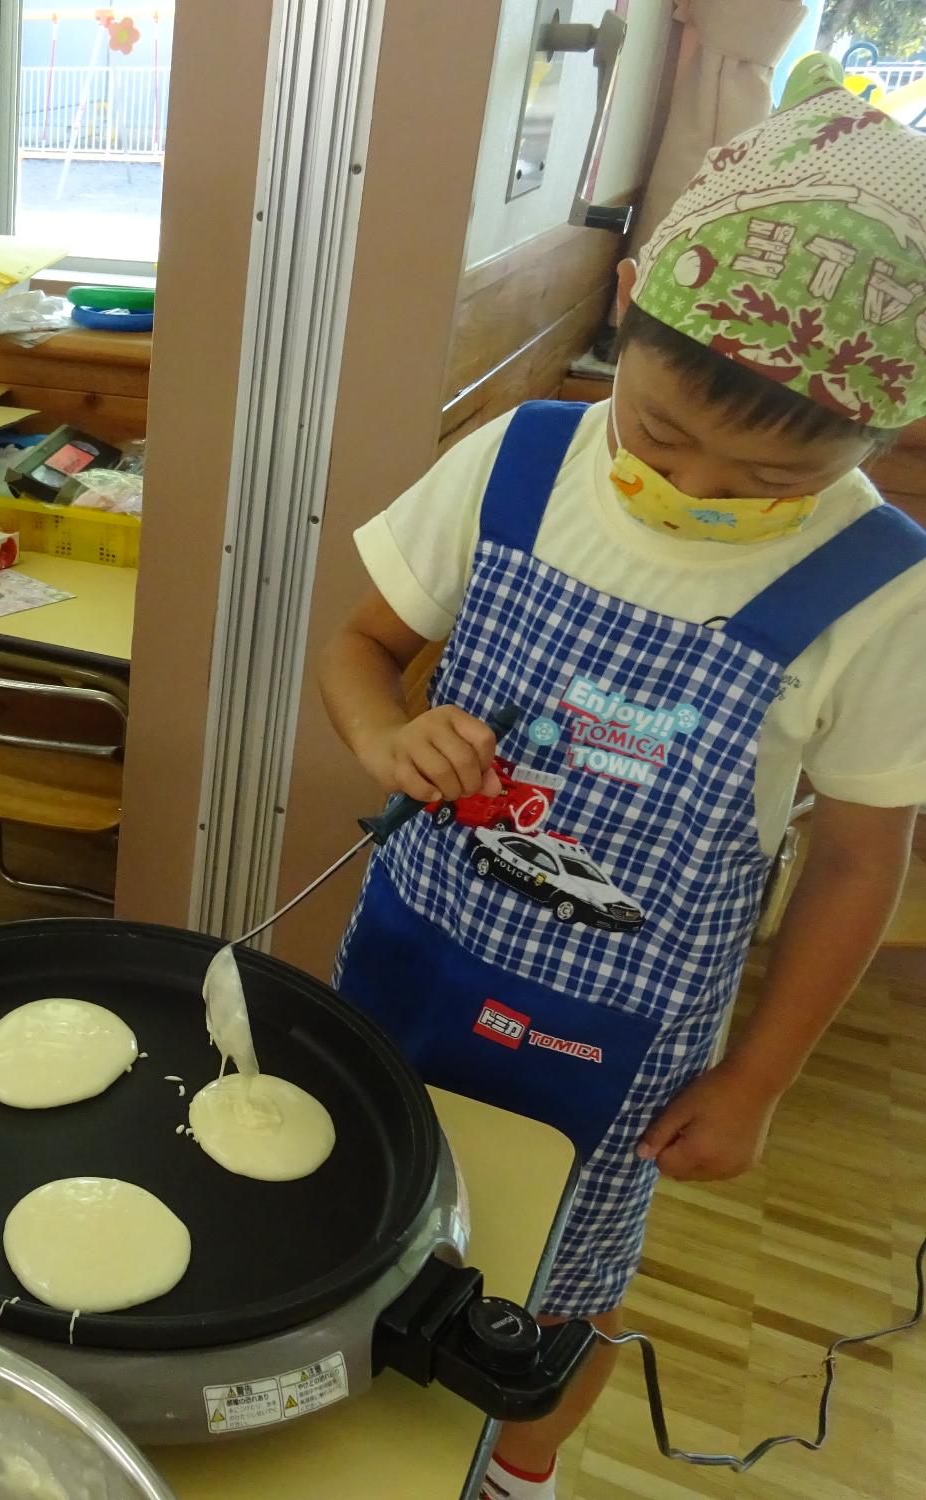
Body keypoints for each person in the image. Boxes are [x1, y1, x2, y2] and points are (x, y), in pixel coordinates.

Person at [318, 58, 926, 1500]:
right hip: (410, 951)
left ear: (880, 438)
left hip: (626, 1030)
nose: (706, 486)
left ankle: (519, 1469)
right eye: (663, 435)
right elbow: (360, 649)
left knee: (563, 1281)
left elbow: (855, 862)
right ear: (627, 299)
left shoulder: (878, 588)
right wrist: (384, 736)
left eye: (771, 477)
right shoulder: (521, 462)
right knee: (358, 1206)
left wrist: (760, 1080)